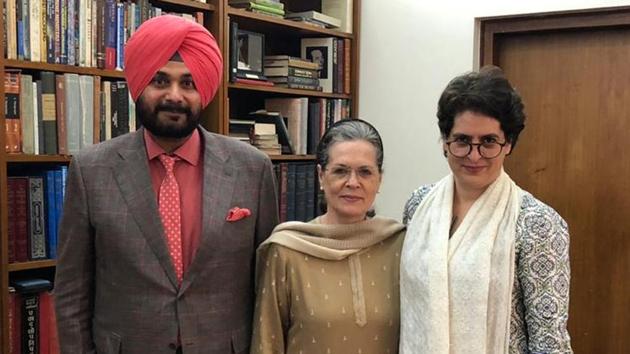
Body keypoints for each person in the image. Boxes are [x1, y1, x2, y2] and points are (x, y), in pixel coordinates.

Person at [54, 15, 278, 354]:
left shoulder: (253, 168)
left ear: (203, 89)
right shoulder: (91, 170)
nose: (174, 96)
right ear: (140, 83)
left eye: (188, 83)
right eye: (160, 80)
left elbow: (268, 287)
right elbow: (72, 292)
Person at [400, 66, 573, 354]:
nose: (474, 155)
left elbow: (550, 342)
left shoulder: (537, 223)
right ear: (445, 142)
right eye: (463, 141)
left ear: (509, 144)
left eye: (489, 142)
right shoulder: (419, 205)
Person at [251, 119, 406, 354]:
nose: (353, 183)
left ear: (379, 179)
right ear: (321, 176)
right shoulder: (286, 250)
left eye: (365, 172)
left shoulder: (399, 244)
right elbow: (267, 343)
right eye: (341, 171)